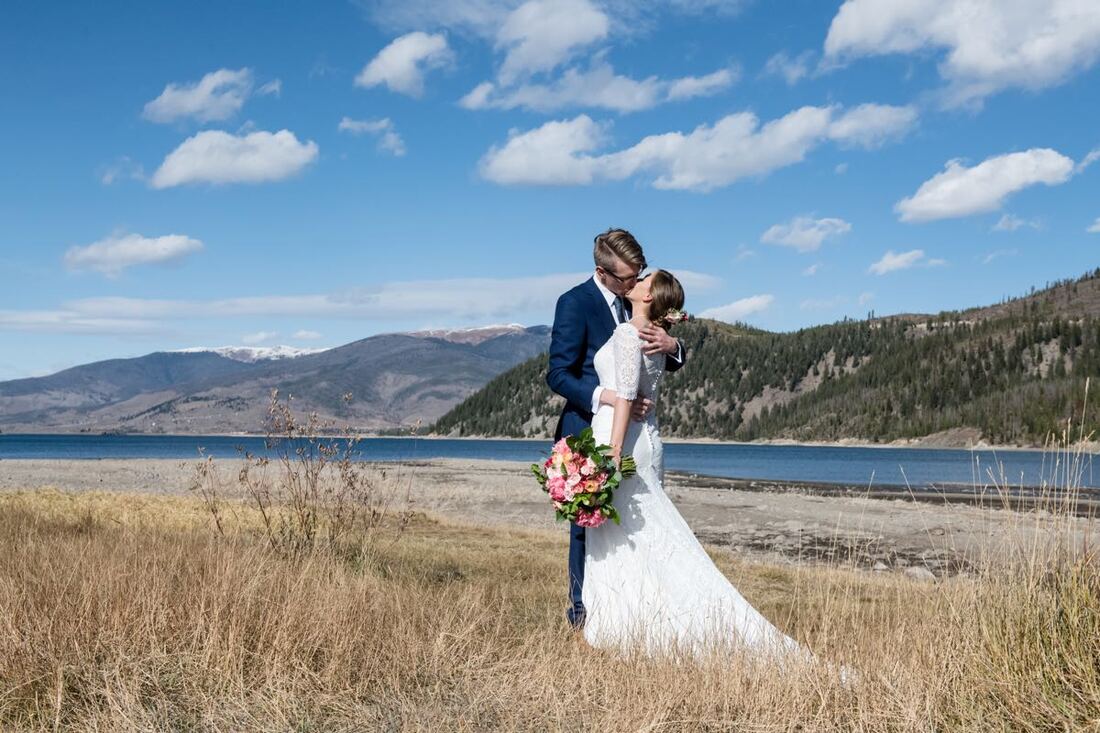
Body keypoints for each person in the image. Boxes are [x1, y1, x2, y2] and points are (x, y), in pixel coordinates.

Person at [582, 269, 804, 658]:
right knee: (642, 537)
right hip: (647, 441)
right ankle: (637, 620)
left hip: (626, 445)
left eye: (642, 280)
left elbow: (627, 395)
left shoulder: (631, 332)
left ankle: (630, 625)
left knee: (628, 536)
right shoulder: (650, 336)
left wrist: (611, 453)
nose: (634, 280)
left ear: (649, 298)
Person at [546, 229, 684, 629]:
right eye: (627, 277)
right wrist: (610, 396)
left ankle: (638, 613)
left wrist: (673, 346)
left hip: (633, 438)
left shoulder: (637, 303)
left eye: (638, 273)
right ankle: (581, 615)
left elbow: (657, 359)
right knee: (585, 529)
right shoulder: (574, 303)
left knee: (637, 524)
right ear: (601, 272)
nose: (635, 282)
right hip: (586, 432)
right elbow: (558, 374)